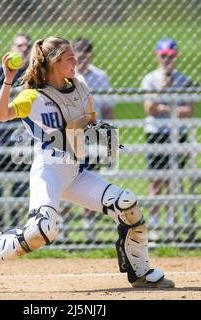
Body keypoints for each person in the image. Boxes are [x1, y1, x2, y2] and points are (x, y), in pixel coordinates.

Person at [0, 36, 174, 293]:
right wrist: (7, 79)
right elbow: (1, 114)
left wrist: (98, 134)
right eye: (70, 58)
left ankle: (140, 272)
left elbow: (88, 121)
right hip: (48, 171)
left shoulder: (80, 86)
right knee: (41, 231)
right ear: (54, 62)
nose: (76, 61)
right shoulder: (33, 95)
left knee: (126, 204)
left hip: (75, 172)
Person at [141, 38, 196, 240]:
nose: (167, 60)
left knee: (174, 179)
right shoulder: (150, 79)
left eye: (170, 56)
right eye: (163, 56)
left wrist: (165, 108)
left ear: (176, 56)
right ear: (157, 56)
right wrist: (163, 91)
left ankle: (172, 224)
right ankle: (154, 226)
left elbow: (189, 110)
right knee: (156, 181)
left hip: (177, 134)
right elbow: (150, 109)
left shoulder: (183, 79)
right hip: (157, 133)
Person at [0, 33, 32, 226]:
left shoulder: (34, 73)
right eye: (19, 46)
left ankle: (16, 221)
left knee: (21, 186)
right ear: (12, 48)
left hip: (24, 137)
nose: (23, 50)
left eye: (27, 47)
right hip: (1, 135)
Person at [72, 37, 115, 241]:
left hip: (94, 132)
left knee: (91, 176)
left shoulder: (100, 76)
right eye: (79, 54)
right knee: (70, 175)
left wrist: (108, 135)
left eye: (86, 54)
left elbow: (107, 108)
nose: (83, 58)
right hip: (72, 133)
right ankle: (63, 222)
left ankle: (88, 226)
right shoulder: (67, 75)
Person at [73, 37, 114, 120]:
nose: (83, 62)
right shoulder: (66, 75)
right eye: (80, 58)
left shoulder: (100, 76)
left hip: (95, 125)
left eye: (86, 58)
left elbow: (107, 110)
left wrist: (110, 132)